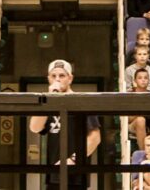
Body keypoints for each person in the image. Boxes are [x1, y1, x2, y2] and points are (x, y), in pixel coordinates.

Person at [28, 59, 102, 190]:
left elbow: (95, 137)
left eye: (62, 75)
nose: (57, 79)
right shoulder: (47, 103)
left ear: (70, 78)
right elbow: (35, 128)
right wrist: (49, 98)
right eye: (53, 76)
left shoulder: (82, 102)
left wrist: (72, 160)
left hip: (77, 175)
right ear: (48, 79)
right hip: (54, 173)